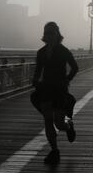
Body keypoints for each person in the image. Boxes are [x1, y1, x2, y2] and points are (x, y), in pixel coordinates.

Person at [31, 21, 79, 165]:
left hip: (59, 90)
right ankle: (54, 151)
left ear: (57, 34)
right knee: (47, 119)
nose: (49, 36)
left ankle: (68, 125)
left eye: (52, 33)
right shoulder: (41, 53)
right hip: (46, 89)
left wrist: (67, 80)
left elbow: (75, 68)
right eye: (47, 33)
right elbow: (38, 71)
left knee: (59, 123)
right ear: (44, 36)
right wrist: (35, 81)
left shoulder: (64, 51)